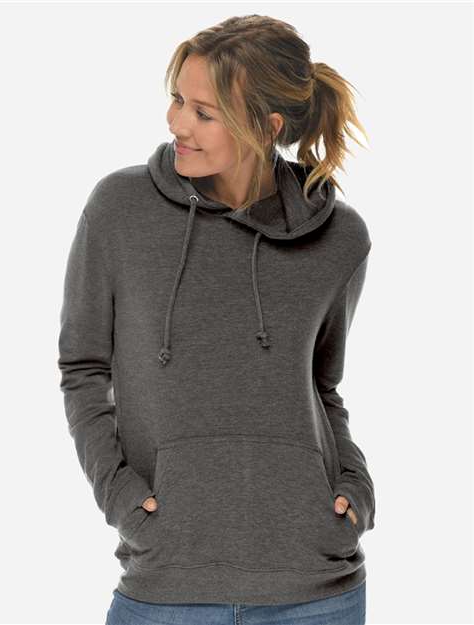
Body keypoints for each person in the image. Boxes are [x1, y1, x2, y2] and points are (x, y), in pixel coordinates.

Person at [57, 14, 375, 625]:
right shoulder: (119, 210)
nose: (176, 122)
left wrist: (354, 487)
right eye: (178, 100)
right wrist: (119, 495)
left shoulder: (339, 237)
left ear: (268, 125)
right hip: (167, 580)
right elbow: (83, 368)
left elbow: (321, 385)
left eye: (204, 113)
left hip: (318, 588)